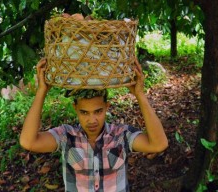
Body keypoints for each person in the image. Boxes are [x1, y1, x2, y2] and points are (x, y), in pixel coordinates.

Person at [19, 58, 168, 191]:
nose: (92, 120)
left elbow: (158, 144)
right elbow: (28, 141)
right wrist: (41, 91)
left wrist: (139, 95)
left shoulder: (121, 135)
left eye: (98, 111)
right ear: (75, 108)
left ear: (107, 107)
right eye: (84, 112)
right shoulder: (66, 136)